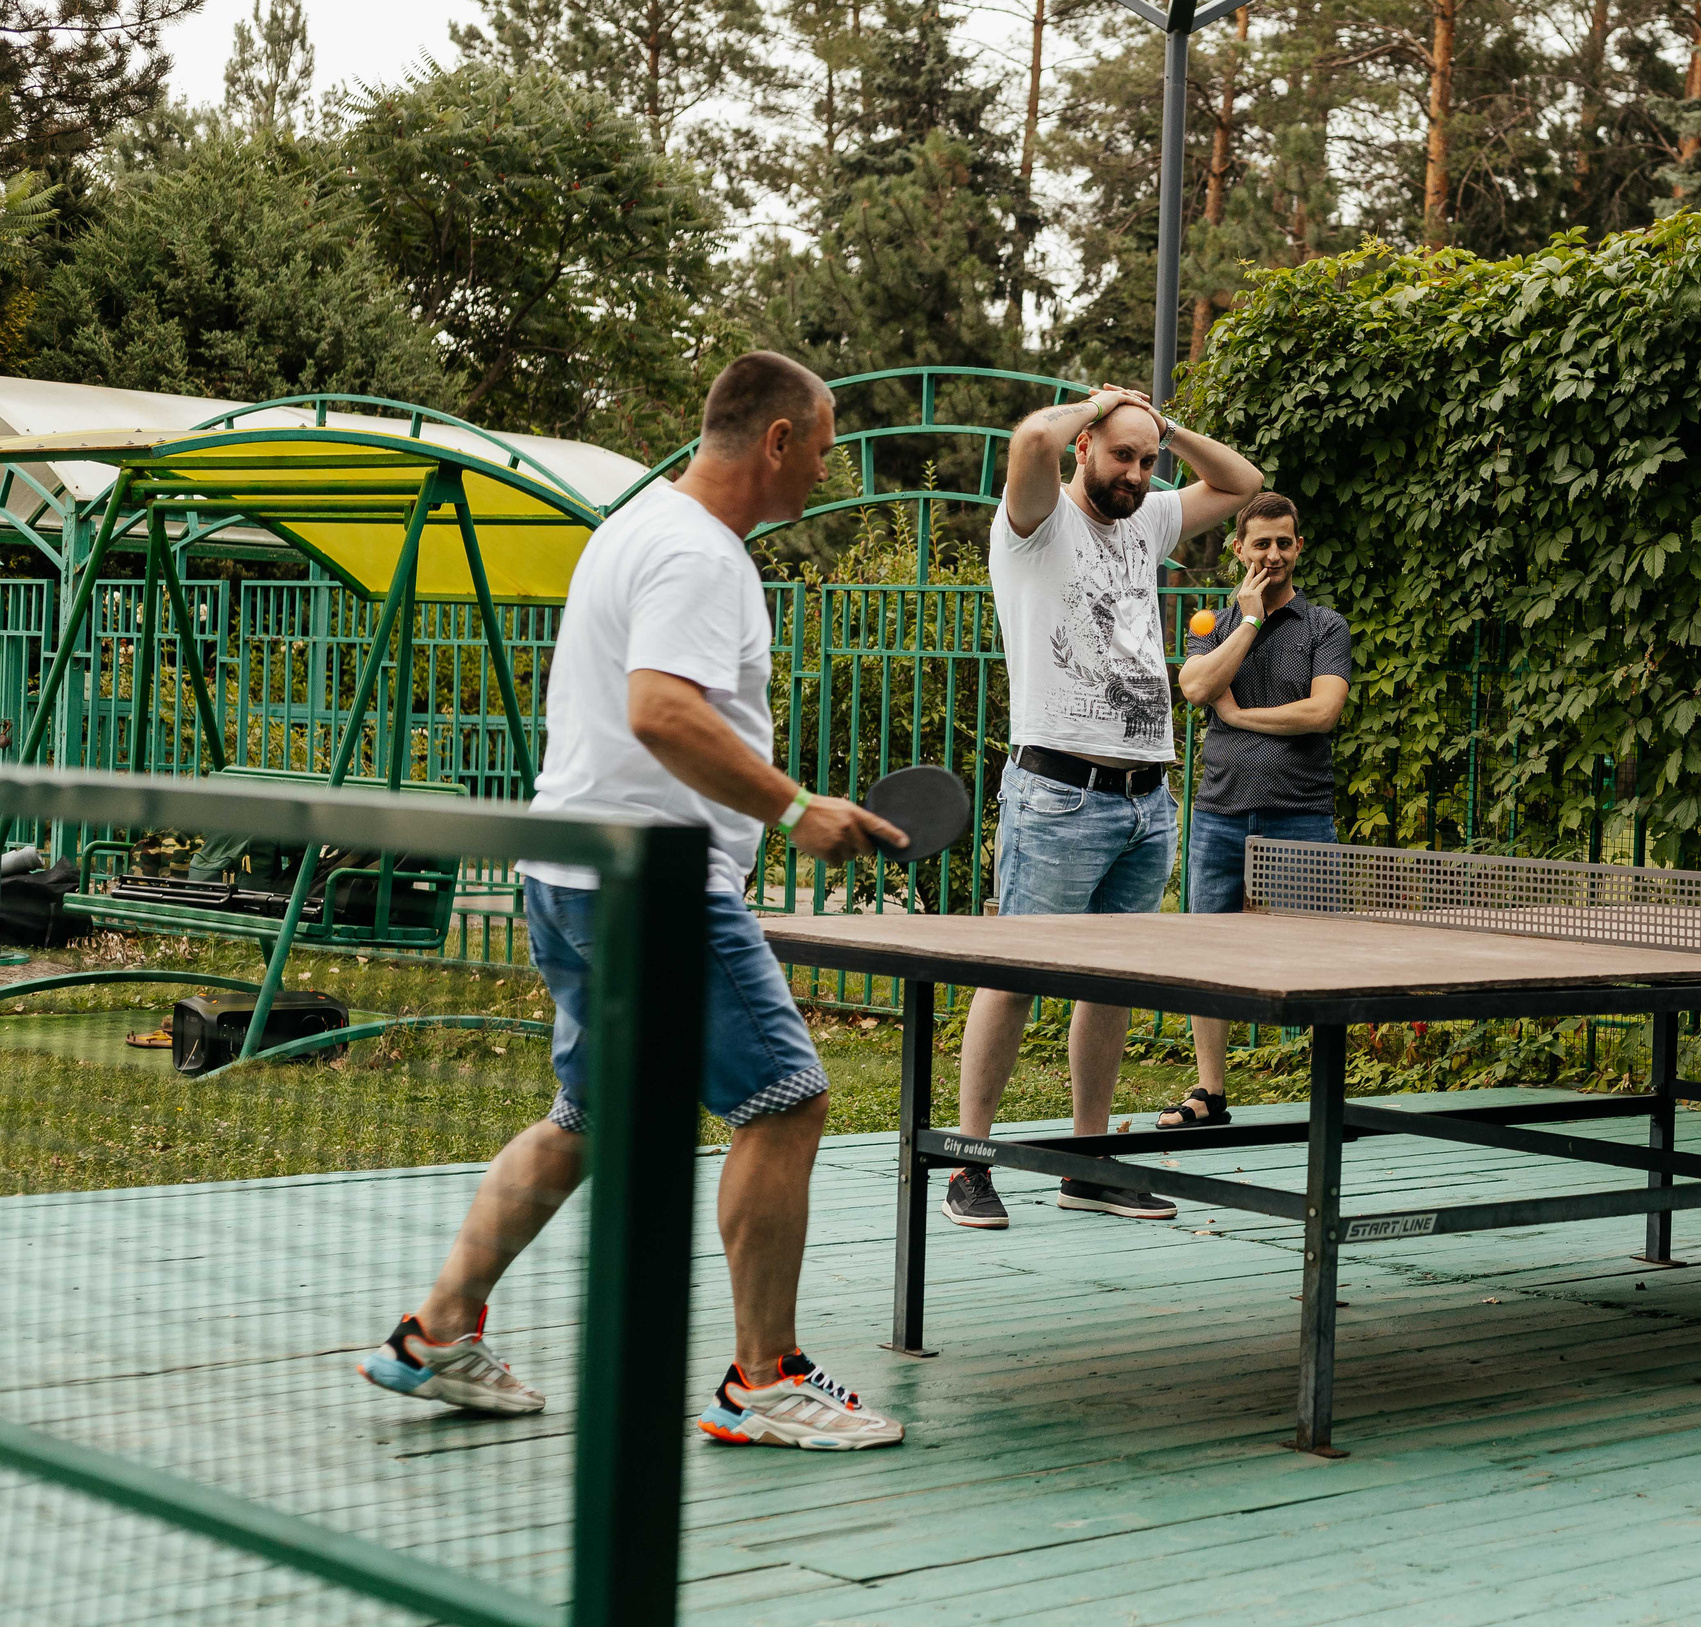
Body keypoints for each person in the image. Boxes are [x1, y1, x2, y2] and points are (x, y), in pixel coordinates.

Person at [361, 351, 913, 1450]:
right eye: (828, 444)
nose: (832, 467)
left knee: (592, 1118)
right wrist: (796, 803)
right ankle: (763, 1380)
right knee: (785, 1098)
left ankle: (436, 1333)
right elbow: (660, 710)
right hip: (654, 887)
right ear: (778, 441)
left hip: (569, 872)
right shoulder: (700, 556)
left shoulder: (633, 524)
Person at [940, 384, 1264, 1228]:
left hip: (1145, 797)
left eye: (1147, 460)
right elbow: (1023, 446)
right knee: (1012, 979)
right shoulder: (1037, 522)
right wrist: (1095, 404)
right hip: (1056, 790)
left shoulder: (1150, 519)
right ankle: (969, 1161)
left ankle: (1087, 1164)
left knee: (1110, 986)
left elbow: (1242, 480)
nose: (1137, 472)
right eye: (1121, 454)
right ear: (1082, 446)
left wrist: (1165, 424)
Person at [1155, 491, 1353, 1129]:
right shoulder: (1209, 624)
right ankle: (1209, 1093)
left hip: (1301, 816)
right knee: (1205, 955)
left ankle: (1326, 1093)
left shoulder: (1326, 627)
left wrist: (1240, 718)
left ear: (1299, 547)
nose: (1272, 554)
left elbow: (1323, 713)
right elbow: (1195, 688)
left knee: (1316, 958)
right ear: (1238, 549)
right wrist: (1246, 621)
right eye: (1260, 542)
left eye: (1283, 542)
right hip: (1219, 816)